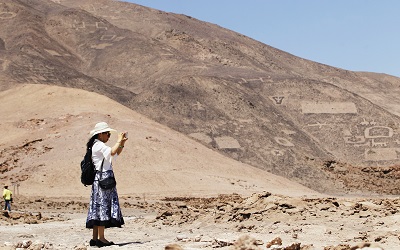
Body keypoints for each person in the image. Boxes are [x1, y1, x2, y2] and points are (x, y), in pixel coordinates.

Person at [85, 122, 128, 247]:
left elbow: (113, 156)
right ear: (100, 134)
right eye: (107, 134)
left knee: (97, 207)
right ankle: (101, 238)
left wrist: (122, 143)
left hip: (100, 179)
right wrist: (118, 140)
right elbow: (113, 152)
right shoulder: (98, 145)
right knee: (102, 207)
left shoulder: (98, 145)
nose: (109, 136)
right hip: (103, 180)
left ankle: (95, 238)